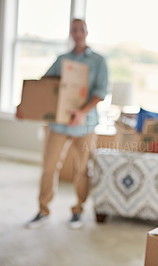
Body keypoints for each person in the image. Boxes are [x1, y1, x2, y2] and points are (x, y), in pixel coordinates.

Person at [17, 18, 109, 229]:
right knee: (49, 167)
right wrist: (25, 106)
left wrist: (82, 112)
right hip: (58, 125)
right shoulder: (62, 59)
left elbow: (100, 93)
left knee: (82, 169)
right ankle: (43, 211)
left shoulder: (98, 61)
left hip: (84, 124)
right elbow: (44, 87)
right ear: (70, 33)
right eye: (73, 30)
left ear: (87, 32)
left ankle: (78, 211)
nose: (77, 33)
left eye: (81, 30)